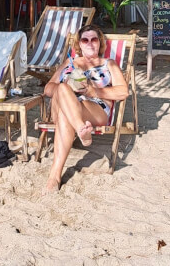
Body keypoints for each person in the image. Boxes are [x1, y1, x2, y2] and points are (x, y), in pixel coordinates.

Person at [43, 24, 128, 192]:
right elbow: (48, 89)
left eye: (94, 39)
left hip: (93, 107)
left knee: (65, 116)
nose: (90, 43)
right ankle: (82, 130)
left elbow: (123, 92)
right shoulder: (70, 62)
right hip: (66, 105)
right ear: (79, 45)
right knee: (61, 89)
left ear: (100, 43)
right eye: (85, 40)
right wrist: (65, 85)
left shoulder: (109, 64)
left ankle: (54, 176)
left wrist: (93, 91)